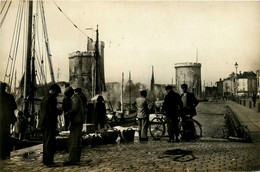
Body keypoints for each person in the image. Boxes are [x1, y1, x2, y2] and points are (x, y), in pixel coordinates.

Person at [39, 84, 62, 167]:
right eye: (57, 92)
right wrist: (59, 111)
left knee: (45, 142)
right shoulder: (52, 99)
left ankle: (45, 160)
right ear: (54, 90)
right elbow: (52, 111)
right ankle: (49, 161)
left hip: (44, 123)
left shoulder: (44, 98)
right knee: (50, 142)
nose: (57, 94)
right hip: (50, 123)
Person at [64, 87, 84, 165]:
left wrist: (67, 113)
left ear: (70, 94)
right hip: (78, 121)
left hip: (76, 121)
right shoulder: (77, 97)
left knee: (73, 140)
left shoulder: (75, 98)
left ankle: (72, 159)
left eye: (67, 95)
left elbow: (74, 109)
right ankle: (76, 158)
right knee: (77, 140)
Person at [0, 82, 17, 160]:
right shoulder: (9, 97)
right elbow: (15, 107)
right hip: (6, 120)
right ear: (5, 88)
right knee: (6, 136)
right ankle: (6, 153)